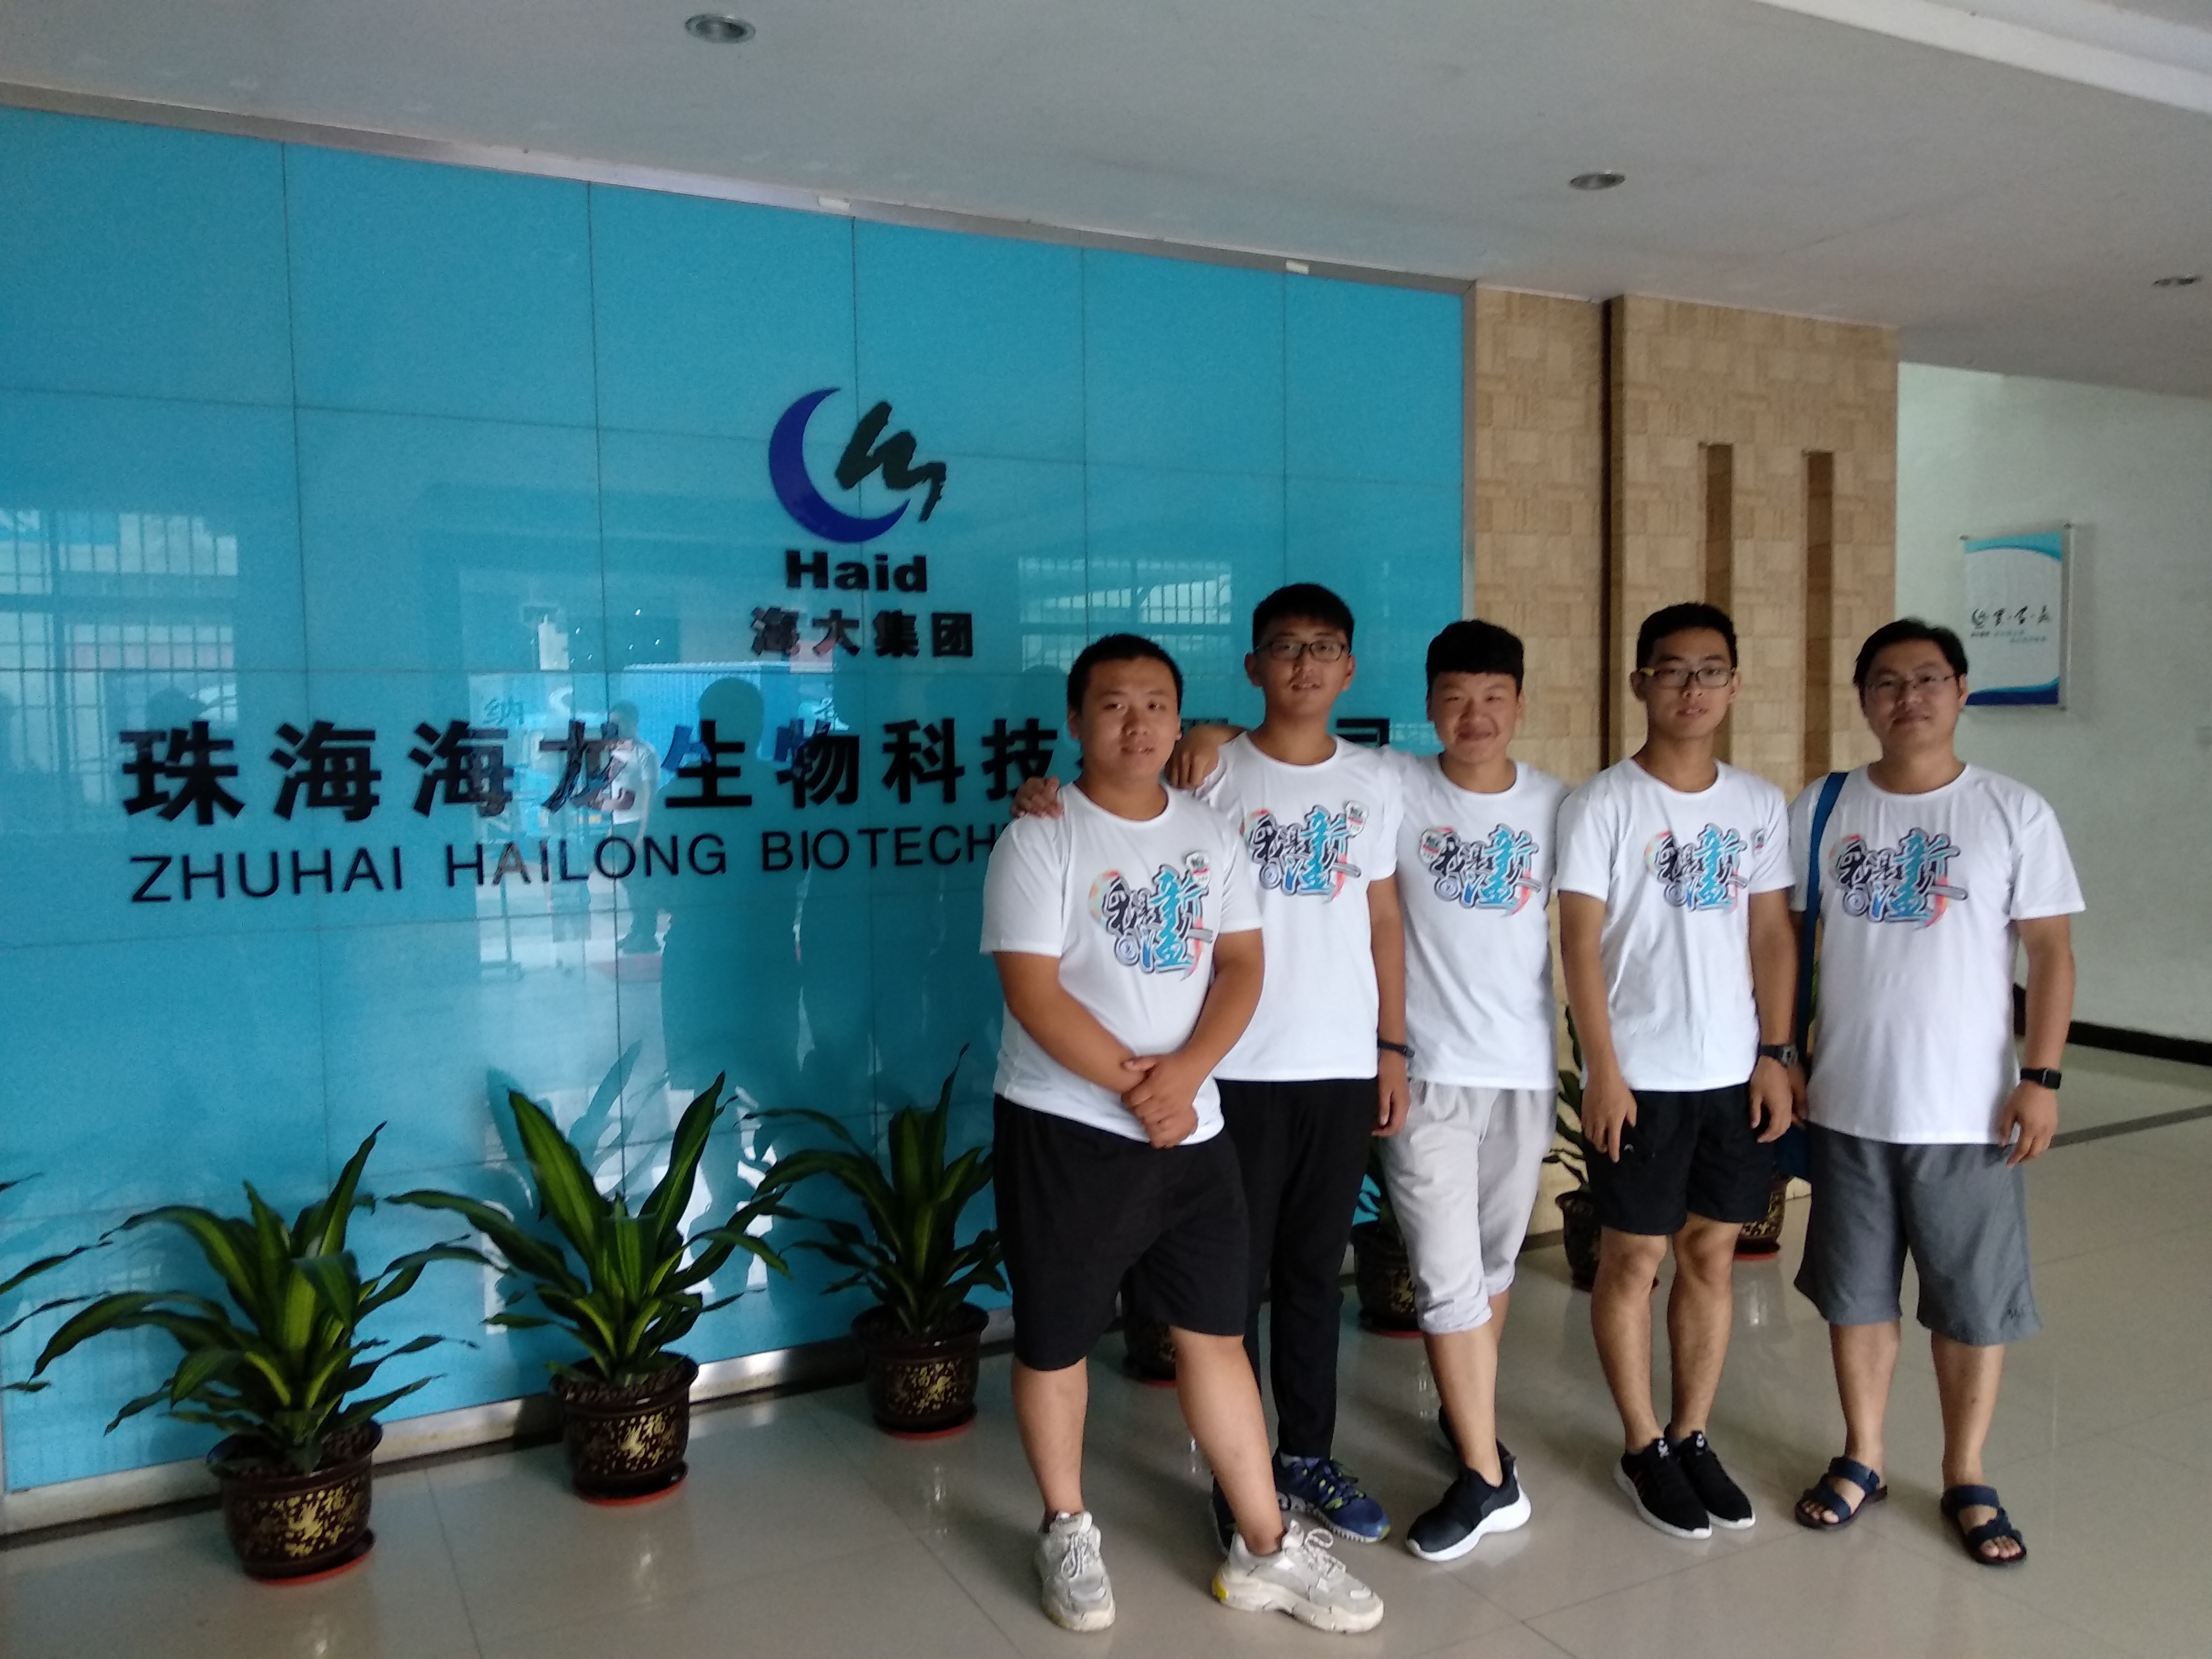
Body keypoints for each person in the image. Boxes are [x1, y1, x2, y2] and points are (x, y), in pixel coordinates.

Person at [980, 632, 1384, 1636]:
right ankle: (1066, 1526)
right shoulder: (1041, 836)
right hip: (1068, 1131)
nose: (1138, 723)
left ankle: (1265, 1545)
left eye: (1156, 704)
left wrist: (1188, 1078)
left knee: (1216, 1336)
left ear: (1178, 717)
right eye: (1114, 705)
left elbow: (1242, 965)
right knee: (1058, 1342)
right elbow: (1033, 991)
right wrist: (1141, 1088)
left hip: (1195, 1136)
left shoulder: (1210, 833)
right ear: (1076, 721)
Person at [1787, 619, 2080, 1568]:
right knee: (1856, 1297)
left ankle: (1966, 1472)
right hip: (1847, 1102)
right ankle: (1864, 1455)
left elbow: (2050, 951)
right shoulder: (1825, 807)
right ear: (1864, 699)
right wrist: (1781, 1052)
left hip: (1970, 1111)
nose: (1907, 697)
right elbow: (1784, 942)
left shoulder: (2010, 811)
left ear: (1961, 690)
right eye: (1887, 682)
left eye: (1927, 679)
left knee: (1969, 1303)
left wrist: (2040, 1078)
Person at [1554, 601, 1796, 1540]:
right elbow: (1580, 944)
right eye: (1672, 669)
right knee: (1634, 1259)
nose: (1692, 687)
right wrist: (1603, 1071)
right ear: (1640, 684)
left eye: (1710, 670)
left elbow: (1770, 933)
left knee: (1711, 1255)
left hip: (1732, 1073)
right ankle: (1642, 1444)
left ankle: (1693, 1434)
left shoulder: (1758, 804)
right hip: (1641, 1078)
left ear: (1734, 685)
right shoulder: (1604, 804)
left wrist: (1775, 1053)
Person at [1365, 619, 1569, 1561]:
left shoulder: (1559, 806)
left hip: (1522, 1072)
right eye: (1454, 697)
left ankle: (1469, 1423)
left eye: (1492, 697)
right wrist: (1205, 736)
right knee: (1445, 1275)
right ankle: (1489, 1480)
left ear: (1519, 705)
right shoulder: (1397, 785)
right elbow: (1277, 759)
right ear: (1428, 705)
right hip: (1429, 1073)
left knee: (1489, 1266)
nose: (1473, 715)